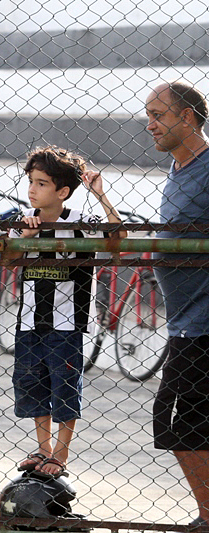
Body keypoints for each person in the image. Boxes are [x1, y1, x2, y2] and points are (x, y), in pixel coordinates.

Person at [2, 146, 125, 479]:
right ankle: (42, 446)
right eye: (31, 181)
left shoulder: (81, 224)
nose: (32, 189)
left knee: (64, 386)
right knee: (32, 383)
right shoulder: (24, 222)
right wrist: (23, 236)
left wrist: (100, 195)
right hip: (28, 323)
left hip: (66, 324)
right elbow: (5, 257)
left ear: (63, 191)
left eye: (41, 183)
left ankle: (61, 452)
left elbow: (119, 239)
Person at [147, 80, 209, 528]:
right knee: (187, 419)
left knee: (176, 417)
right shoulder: (177, 170)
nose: (150, 125)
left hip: (203, 322)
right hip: (187, 320)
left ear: (187, 117)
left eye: (159, 115)